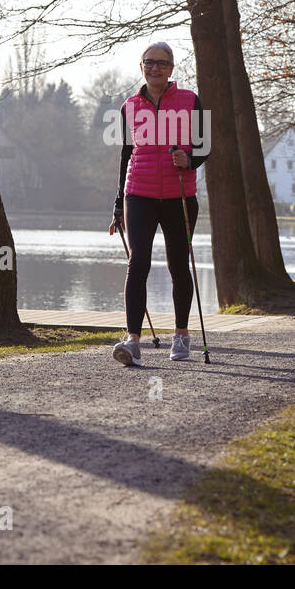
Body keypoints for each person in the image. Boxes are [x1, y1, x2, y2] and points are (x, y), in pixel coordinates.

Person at [107, 42, 209, 365]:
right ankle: (133, 341)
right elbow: (126, 155)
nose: (155, 68)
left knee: (178, 265)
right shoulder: (129, 106)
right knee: (138, 263)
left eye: (162, 63)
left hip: (179, 195)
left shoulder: (190, 101)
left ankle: (181, 336)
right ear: (141, 67)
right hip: (139, 194)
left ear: (171, 68)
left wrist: (189, 159)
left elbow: (205, 147)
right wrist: (119, 202)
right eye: (149, 63)